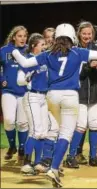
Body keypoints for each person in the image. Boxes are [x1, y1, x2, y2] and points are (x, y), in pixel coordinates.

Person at [11, 23, 97, 187]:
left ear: (56, 38)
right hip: (70, 95)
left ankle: (45, 161)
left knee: (53, 129)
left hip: (51, 95)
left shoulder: (48, 54)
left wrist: (14, 51)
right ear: (72, 37)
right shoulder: (78, 52)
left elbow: (25, 64)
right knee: (65, 134)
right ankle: (53, 168)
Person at [63, 21, 97, 168]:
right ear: (79, 34)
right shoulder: (74, 50)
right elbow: (74, 72)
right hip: (79, 93)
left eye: (89, 33)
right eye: (84, 33)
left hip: (94, 91)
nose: (87, 36)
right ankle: (70, 156)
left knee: (94, 124)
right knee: (80, 125)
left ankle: (93, 157)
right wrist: (89, 66)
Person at [16, 33, 59, 175]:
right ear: (34, 46)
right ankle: (26, 163)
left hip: (43, 98)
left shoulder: (45, 60)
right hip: (32, 96)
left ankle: (38, 162)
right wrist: (30, 75)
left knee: (44, 131)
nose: (44, 47)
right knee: (35, 130)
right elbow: (20, 81)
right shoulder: (28, 60)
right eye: (42, 44)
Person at [0, 25, 29, 163]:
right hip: (8, 91)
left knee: (23, 123)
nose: (22, 39)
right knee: (9, 120)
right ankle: (12, 146)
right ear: (14, 37)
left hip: (24, 92)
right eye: (20, 36)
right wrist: (1, 79)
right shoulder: (4, 51)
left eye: (24, 36)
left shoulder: (29, 50)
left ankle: (22, 149)